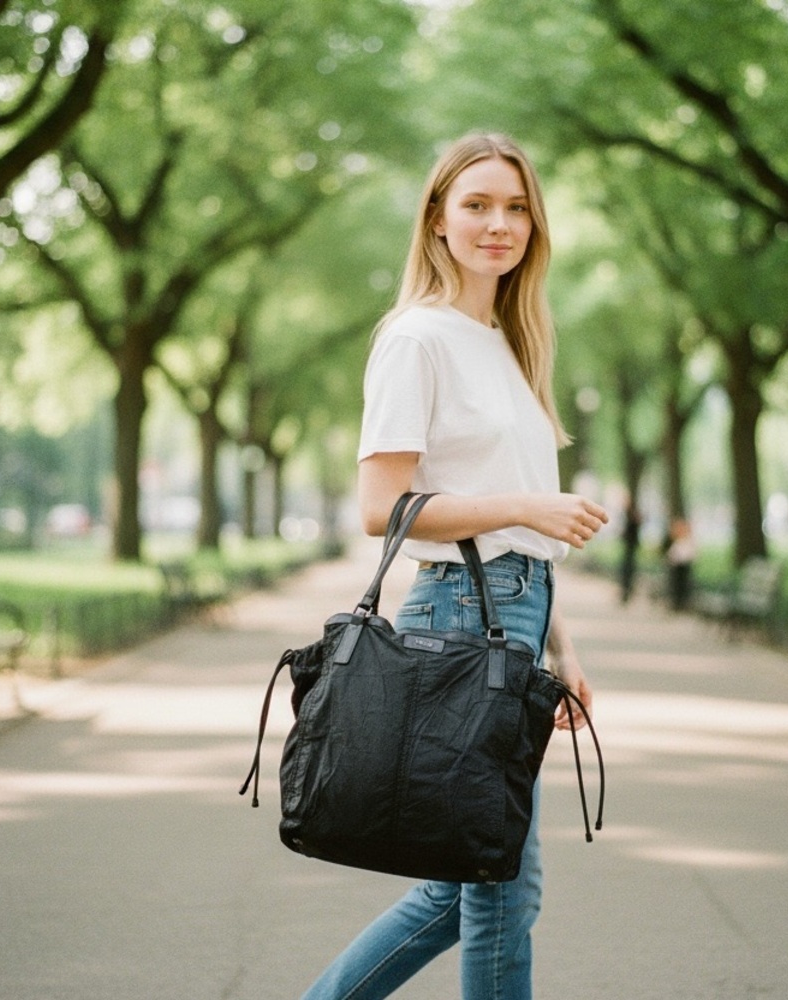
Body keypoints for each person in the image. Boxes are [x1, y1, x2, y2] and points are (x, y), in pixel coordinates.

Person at [300, 132, 608, 1000]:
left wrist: (562, 646)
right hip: (460, 619)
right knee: (499, 884)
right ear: (437, 218)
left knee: (470, 881)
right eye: (476, 204)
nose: (497, 224)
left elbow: (523, 542)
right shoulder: (418, 339)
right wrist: (526, 506)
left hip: (514, 612)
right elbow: (379, 509)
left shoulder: (509, 343)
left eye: (515, 208)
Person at [619, 500, 642, 604]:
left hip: (630, 548)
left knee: (628, 571)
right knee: (627, 571)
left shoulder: (632, 517)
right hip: (629, 548)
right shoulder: (629, 516)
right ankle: (625, 594)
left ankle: (626, 594)